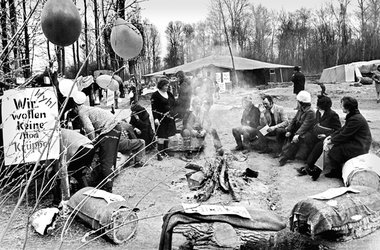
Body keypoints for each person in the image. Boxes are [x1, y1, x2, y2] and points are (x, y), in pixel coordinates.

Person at [73, 92, 121, 193]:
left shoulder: (81, 111)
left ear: (75, 105)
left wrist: (92, 141)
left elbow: (89, 128)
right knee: (107, 158)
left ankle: (108, 188)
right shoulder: (87, 108)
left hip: (109, 129)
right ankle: (103, 182)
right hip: (113, 126)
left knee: (106, 160)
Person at [322, 96, 372, 178]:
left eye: (342, 105)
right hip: (357, 142)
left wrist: (331, 141)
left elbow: (344, 135)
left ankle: (337, 172)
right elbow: (343, 129)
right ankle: (336, 169)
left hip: (360, 145)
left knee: (335, 150)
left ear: (347, 107)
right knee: (336, 147)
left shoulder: (355, 119)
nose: (341, 107)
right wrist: (331, 136)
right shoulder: (354, 116)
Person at [296, 95, 341, 180]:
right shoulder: (318, 112)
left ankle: (308, 166)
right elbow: (316, 124)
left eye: (319, 104)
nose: (317, 106)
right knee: (308, 138)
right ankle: (310, 161)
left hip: (328, 138)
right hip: (318, 134)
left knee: (319, 145)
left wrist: (326, 136)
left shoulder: (333, 115)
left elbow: (338, 130)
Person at [52, 128, 95, 206]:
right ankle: (88, 198)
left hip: (79, 149)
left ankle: (59, 201)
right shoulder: (61, 130)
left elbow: (58, 159)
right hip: (89, 147)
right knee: (79, 174)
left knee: (63, 175)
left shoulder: (53, 134)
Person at [279, 91, 316, 166]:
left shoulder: (310, 112)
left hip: (308, 133)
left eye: (298, 102)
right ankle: (285, 153)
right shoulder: (301, 109)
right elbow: (294, 120)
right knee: (286, 133)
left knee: (296, 139)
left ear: (302, 103)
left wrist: (297, 134)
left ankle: (286, 156)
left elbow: (305, 126)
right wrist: (289, 129)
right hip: (300, 130)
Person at [151, 78, 177, 161]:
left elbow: (174, 104)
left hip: (169, 118)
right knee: (161, 135)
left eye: (168, 85)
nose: (167, 87)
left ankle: (166, 150)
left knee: (168, 135)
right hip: (160, 118)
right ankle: (160, 153)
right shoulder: (155, 95)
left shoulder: (169, 93)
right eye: (166, 85)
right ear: (161, 86)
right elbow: (153, 108)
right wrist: (155, 118)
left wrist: (173, 113)